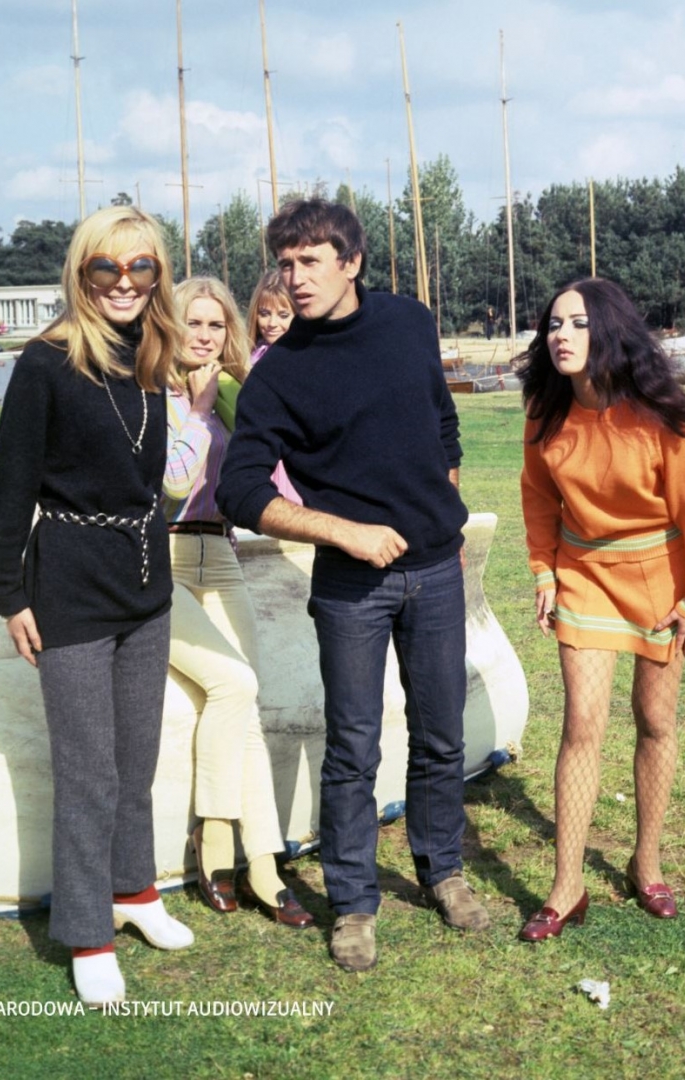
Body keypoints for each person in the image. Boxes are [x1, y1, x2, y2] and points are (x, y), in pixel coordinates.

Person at [218, 198, 490, 974]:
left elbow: (441, 419)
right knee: (352, 748)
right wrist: (343, 531)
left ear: (351, 262)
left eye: (310, 261)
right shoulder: (277, 375)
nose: (295, 279)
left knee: (440, 734)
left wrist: (442, 499)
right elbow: (240, 491)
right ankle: (354, 903)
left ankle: (443, 872)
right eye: (285, 264)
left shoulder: (408, 322)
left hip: (435, 569)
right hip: (350, 585)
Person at [0, 206, 193, 1007]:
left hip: (145, 582)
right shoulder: (45, 363)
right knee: (88, 770)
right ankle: (87, 931)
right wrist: (10, 591)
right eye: (107, 267)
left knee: (137, 757)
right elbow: (7, 485)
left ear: (158, 275)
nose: (124, 283)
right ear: (81, 273)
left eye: (141, 267)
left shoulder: (152, 355)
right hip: (68, 584)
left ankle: (134, 891)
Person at [517, 277, 685, 942]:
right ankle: (566, 887)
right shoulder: (545, 410)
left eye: (577, 324)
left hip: (659, 576)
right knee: (582, 723)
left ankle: (647, 863)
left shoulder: (657, 416)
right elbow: (537, 496)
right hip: (583, 574)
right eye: (554, 324)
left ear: (607, 332)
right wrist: (544, 570)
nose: (561, 336)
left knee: (654, 720)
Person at [164, 276, 313, 930]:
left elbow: (270, 474)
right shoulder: (152, 392)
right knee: (233, 683)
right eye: (192, 322)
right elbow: (171, 483)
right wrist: (197, 410)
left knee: (246, 700)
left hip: (219, 551)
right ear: (171, 325)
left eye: (216, 325)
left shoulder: (233, 392)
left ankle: (264, 864)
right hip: (161, 558)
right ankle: (219, 839)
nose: (204, 336)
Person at [244, 271, 301, 505]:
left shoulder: (306, 358)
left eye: (283, 315)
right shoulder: (248, 358)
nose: (272, 324)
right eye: (264, 313)